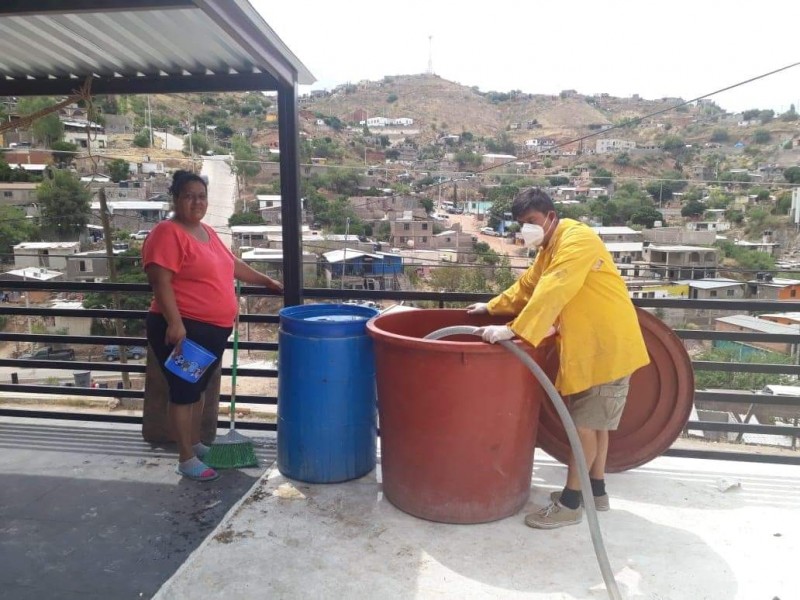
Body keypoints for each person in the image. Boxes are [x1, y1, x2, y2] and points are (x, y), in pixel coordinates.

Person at [468, 187, 649, 529]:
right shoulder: (550, 247)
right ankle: (596, 493)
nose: (527, 230)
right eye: (522, 224)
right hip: (594, 348)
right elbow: (528, 286)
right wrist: (490, 307)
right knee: (595, 426)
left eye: (532, 221)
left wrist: (515, 330)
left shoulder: (576, 240)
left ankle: (570, 503)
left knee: (584, 428)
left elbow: (555, 286)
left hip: (605, 348)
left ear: (551, 216)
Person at [143, 170, 283, 482]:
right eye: (189, 195)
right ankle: (185, 458)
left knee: (199, 389)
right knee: (183, 392)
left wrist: (266, 281)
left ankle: (194, 443)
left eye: (201, 196)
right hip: (185, 330)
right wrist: (175, 323)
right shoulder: (168, 232)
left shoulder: (205, 231)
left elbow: (232, 264)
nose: (197, 201)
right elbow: (160, 281)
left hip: (212, 330)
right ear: (176, 198)